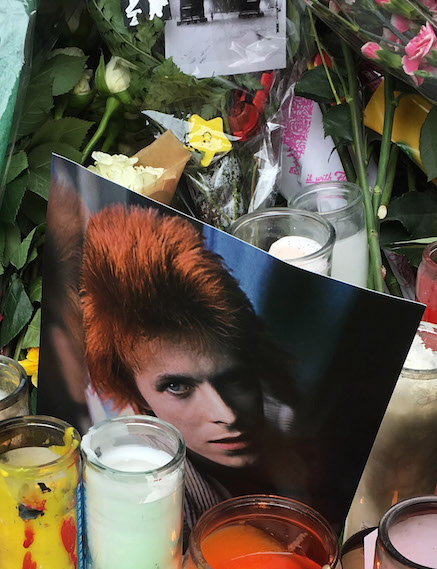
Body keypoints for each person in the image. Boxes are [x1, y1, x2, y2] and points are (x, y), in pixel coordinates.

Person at [81, 203, 300, 535]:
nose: (226, 414)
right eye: (177, 387)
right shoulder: (145, 506)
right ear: (139, 401)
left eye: (233, 377)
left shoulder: (290, 422)